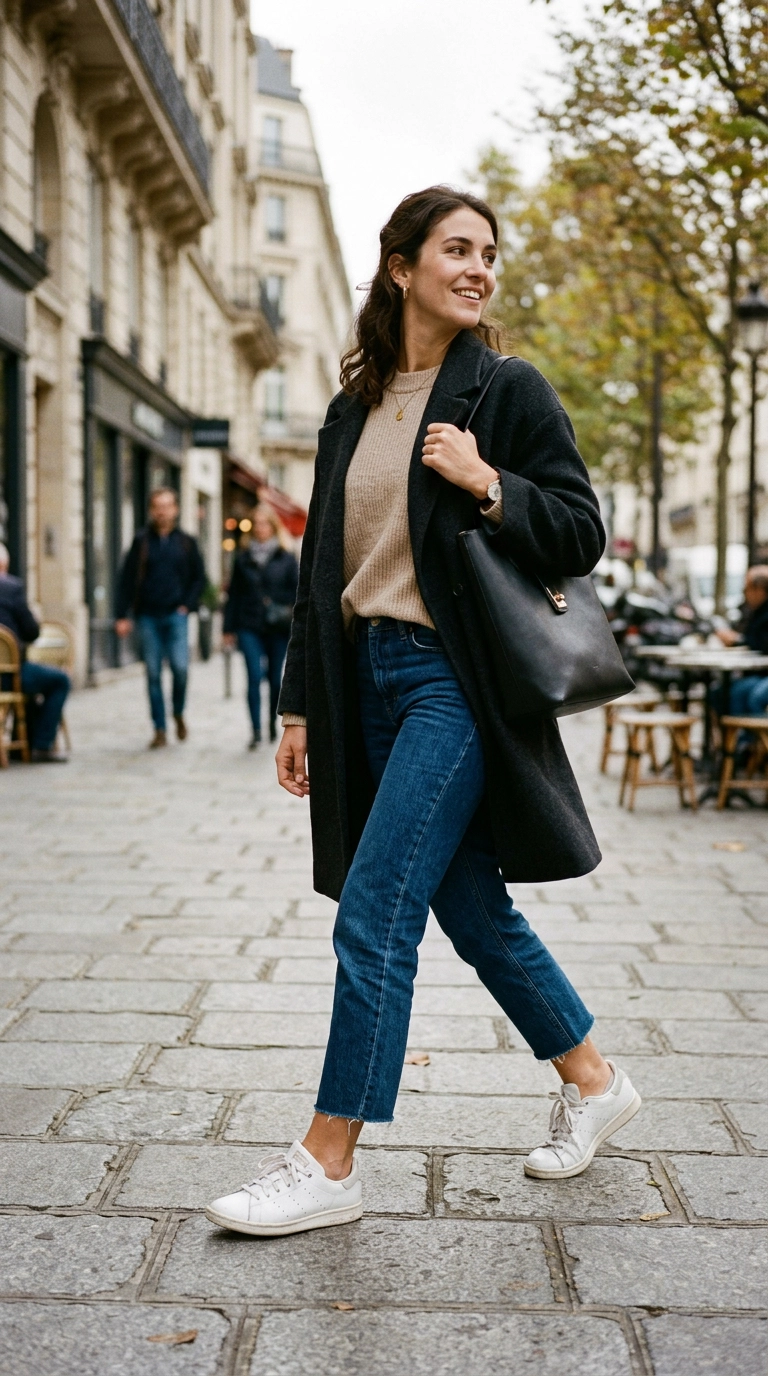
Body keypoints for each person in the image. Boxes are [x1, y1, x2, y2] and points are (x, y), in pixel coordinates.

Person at [206, 185, 641, 1239]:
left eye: (489, 252)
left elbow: (580, 529)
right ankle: (595, 1078)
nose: (479, 267)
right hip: (367, 682)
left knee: (376, 911)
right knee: (471, 910)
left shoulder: (508, 390)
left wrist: (490, 481)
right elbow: (321, 569)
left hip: (455, 684)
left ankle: (329, 1157)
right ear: (401, 265)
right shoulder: (351, 410)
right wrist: (300, 707)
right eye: (457, 248)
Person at [115, 488, 205, 749]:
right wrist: (122, 615)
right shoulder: (141, 541)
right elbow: (126, 579)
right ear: (151, 510)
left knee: (180, 669)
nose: (162, 511)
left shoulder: (186, 542)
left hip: (176, 616)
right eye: (157, 506)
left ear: (175, 509)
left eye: (167, 506)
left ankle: (177, 711)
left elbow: (199, 578)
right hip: (147, 617)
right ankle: (159, 728)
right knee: (153, 674)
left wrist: (186, 606)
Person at [222, 504, 299, 747]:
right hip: (249, 624)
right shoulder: (242, 558)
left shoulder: (286, 558)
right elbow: (233, 594)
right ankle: (255, 730)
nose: (260, 528)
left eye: (265, 524)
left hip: (277, 626)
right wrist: (227, 629)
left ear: (273, 527)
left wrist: (281, 607)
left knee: (276, 679)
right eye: (256, 524)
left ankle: (270, 724)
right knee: (254, 676)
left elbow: (297, 593)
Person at [0, 542, 70, 762]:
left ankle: (22, 742)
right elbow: (31, 631)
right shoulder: (11, 588)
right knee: (59, 681)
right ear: (4, 565)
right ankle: (41, 745)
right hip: (9, 677)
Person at [714, 565, 768, 715]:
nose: (745, 594)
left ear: (760, 590)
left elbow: (761, 644)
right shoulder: (753, 611)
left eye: (747, 589)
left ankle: (750, 737)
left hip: (762, 674)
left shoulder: (763, 613)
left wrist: (737, 640)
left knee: (744, 693)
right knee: (718, 693)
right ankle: (732, 736)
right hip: (758, 673)